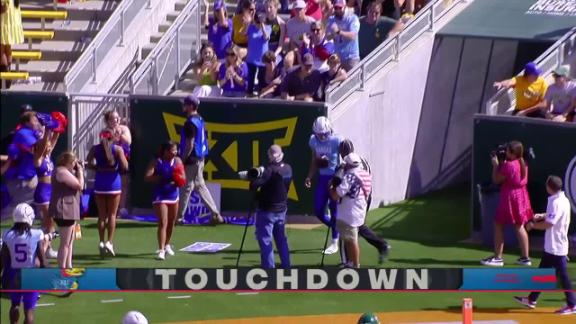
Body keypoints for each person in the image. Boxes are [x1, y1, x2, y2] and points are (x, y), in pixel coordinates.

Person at [514, 175, 576, 315]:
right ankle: (532, 299)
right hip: (553, 246)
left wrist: (533, 225)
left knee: (563, 276)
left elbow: (550, 224)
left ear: (550, 187)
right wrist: (542, 215)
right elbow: (553, 216)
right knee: (542, 273)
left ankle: (572, 304)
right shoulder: (562, 200)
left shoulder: (556, 202)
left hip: (556, 247)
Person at [481, 141, 533, 267]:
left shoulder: (509, 166)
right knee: (519, 226)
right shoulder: (523, 163)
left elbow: (496, 179)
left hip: (510, 197)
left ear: (512, 153)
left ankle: (498, 258)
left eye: (508, 150)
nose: (506, 152)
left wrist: (495, 165)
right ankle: (525, 258)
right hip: (521, 196)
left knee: (498, 224)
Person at [338, 139, 390, 263]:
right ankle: (381, 245)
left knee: (348, 229)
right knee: (359, 226)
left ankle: (348, 262)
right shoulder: (362, 160)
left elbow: (345, 183)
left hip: (354, 199)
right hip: (366, 196)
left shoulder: (346, 165)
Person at [177, 95, 224, 225]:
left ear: (191, 106)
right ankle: (215, 214)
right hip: (200, 158)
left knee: (186, 188)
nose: (183, 107)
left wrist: (181, 160)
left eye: (185, 104)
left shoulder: (190, 122)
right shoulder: (199, 119)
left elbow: (190, 144)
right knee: (200, 186)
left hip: (192, 159)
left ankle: (178, 218)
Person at [1, 203, 47, 324]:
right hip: (31, 275)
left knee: (14, 305)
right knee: (29, 311)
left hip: (12, 274)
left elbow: (3, 259)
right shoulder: (37, 234)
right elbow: (43, 261)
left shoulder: (7, 234)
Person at [86, 130, 128, 257]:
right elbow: (125, 166)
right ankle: (110, 242)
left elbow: (88, 163)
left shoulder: (95, 148)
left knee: (102, 216)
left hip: (100, 183)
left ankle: (101, 242)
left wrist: (98, 168)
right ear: (113, 137)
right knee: (112, 215)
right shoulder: (118, 149)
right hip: (113, 183)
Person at [249, 145, 292, 268]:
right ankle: (286, 266)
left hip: (267, 211)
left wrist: (253, 178)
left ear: (270, 155)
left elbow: (254, 186)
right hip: (282, 209)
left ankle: (269, 269)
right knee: (281, 240)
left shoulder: (270, 171)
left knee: (266, 242)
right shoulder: (288, 168)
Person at [305, 116, 342, 255]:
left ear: (330, 131)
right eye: (319, 134)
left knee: (334, 210)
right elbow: (314, 160)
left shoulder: (337, 140)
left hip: (334, 178)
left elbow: (346, 154)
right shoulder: (313, 140)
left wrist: (342, 174)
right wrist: (309, 176)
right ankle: (337, 229)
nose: (321, 136)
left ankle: (334, 242)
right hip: (322, 178)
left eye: (324, 134)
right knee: (318, 210)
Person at [329, 153, 372, 268]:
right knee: (348, 239)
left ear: (348, 165)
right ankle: (351, 263)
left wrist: (331, 188)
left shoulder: (350, 177)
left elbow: (336, 195)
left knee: (352, 241)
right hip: (358, 212)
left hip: (349, 214)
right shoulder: (365, 174)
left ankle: (355, 265)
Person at [145, 141, 184, 260]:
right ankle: (161, 250)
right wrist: (161, 177)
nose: (175, 152)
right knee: (163, 221)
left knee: (172, 222)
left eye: (176, 150)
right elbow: (147, 176)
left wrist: (179, 179)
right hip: (160, 195)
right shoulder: (157, 161)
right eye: (173, 150)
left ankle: (167, 244)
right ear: (166, 151)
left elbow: (183, 177)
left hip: (173, 195)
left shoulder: (178, 161)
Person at [1, 112, 43, 221]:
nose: (37, 122)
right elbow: (37, 149)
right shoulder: (23, 133)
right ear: (27, 122)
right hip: (22, 178)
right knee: (16, 207)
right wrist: (44, 133)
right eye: (35, 120)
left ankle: (43, 225)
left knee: (40, 201)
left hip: (31, 175)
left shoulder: (33, 132)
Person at [50, 151, 83, 269]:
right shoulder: (61, 172)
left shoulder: (63, 171)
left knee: (70, 242)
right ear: (68, 162)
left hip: (69, 210)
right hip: (64, 211)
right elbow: (80, 185)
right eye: (73, 162)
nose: (75, 165)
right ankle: (62, 269)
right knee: (65, 244)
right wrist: (80, 172)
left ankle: (68, 265)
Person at [33, 124, 61, 260]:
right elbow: (44, 143)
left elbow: (54, 139)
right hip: (42, 193)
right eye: (47, 145)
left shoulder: (48, 156)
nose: (49, 146)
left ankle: (46, 248)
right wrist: (47, 132)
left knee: (48, 223)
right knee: (49, 222)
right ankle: (42, 250)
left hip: (51, 192)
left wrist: (58, 127)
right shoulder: (38, 159)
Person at [326, 0, 361, 71]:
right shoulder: (331, 20)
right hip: (338, 58)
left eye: (340, 7)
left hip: (351, 57)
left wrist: (339, 32)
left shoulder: (352, 18)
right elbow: (328, 37)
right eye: (336, 8)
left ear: (345, 7)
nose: (338, 10)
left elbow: (353, 36)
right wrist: (333, 33)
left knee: (353, 79)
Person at [246, 10, 271, 96]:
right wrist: (251, 21)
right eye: (257, 21)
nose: (258, 23)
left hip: (262, 60)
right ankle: (249, 95)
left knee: (261, 80)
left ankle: (261, 96)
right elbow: (244, 33)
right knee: (250, 80)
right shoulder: (251, 27)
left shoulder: (268, 27)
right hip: (251, 59)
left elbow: (266, 37)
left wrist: (262, 25)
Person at [0, 0, 24, 89]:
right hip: (12, 10)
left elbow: (3, 5)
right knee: (7, 46)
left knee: (1, 49)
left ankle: (5, 79)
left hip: (5, 13)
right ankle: (7, 76)